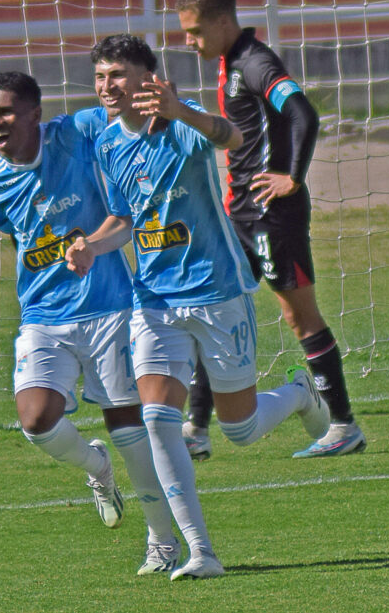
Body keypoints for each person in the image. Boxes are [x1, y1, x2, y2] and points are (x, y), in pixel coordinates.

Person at [66, 34, 330, 580]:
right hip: (155, 302)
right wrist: (92, 244)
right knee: (159, 422)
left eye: (117, 75)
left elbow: (230, 135)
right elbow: (123, 220)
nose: (106, 86)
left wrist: (180, 109)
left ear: (147, 78)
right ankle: (198, 551)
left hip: (217, 294)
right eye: (99, 77)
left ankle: (301, 394)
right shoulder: (109, 145)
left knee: (241, 429)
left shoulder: (182, 129)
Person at [0, 71, 179, 576]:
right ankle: (96, 467)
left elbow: (119, 110)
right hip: (43, 315)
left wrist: (149, 94)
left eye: (6, 111)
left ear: (35, 115)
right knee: (36, 419)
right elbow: (17, 232)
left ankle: (162, 540)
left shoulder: (76, 132)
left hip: (110, 307)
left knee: (129, 428)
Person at [174, 0, 366, 459]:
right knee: (209, 307)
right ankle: (194, 431)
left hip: (271, 217)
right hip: (238, 216)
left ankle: (342, 425)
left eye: (195, 32)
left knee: (299, 317)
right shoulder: (230, 63)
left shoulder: (256, 62)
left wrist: (291, 177)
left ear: (223, 22)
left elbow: (303, 113)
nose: (189, 42)